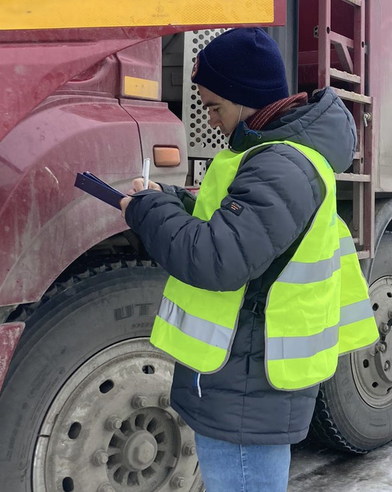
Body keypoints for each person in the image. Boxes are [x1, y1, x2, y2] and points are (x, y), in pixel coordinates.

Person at [120, 28, 377, 492]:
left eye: (215, 106)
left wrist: (145, 210)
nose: (212, 119)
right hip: (245, 376)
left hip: (247, 385)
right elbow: (236, 228)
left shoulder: (280, 165)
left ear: (244, 98)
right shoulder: (273, 158)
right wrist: (172, 200)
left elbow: (218, 257)